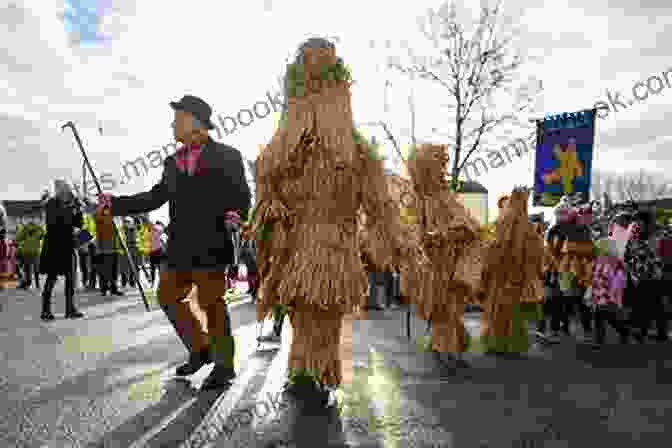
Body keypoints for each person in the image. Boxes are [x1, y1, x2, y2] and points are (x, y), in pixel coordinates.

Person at [96, 94, 251, 390]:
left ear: (194, 122)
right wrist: (114, 203)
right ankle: (200, 349)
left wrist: (236, 214)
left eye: (177, 119)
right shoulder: (172, 161)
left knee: (212, 304)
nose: (172, 125)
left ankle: (224, 365)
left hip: (212, 243)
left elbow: (242, 196)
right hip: (180, 246)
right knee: (167, 296)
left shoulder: (228, 155)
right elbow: (154, 198)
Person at [39, 180, 85, 320]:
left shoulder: (70, 204)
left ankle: (70, 309)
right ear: (60, 191)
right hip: (54, 246)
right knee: (51, 278)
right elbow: (55, 222)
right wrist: (70, 209)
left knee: (71, 278)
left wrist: (78, 210)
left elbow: (78, 223)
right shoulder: (51, 203)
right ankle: (45, 310)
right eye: (66, 191)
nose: (68, 194)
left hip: (68, 245)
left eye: (69, 191)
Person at [16, 218, 45, 290]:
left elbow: (18, 238)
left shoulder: (25, 228)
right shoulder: (39, 228)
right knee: (36, 270)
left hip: (26, 251)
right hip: (36, 251)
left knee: (27, 270)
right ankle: (37, 285)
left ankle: (27, 284)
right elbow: (43, 235)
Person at [148, 221, 166, 285]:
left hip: (153, 251)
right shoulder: (160, 230)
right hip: (158, 251)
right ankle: (160, 282)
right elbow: (164, 242)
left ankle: (153, 282)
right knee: (159, 268)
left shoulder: (151, 231)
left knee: (153, 268)